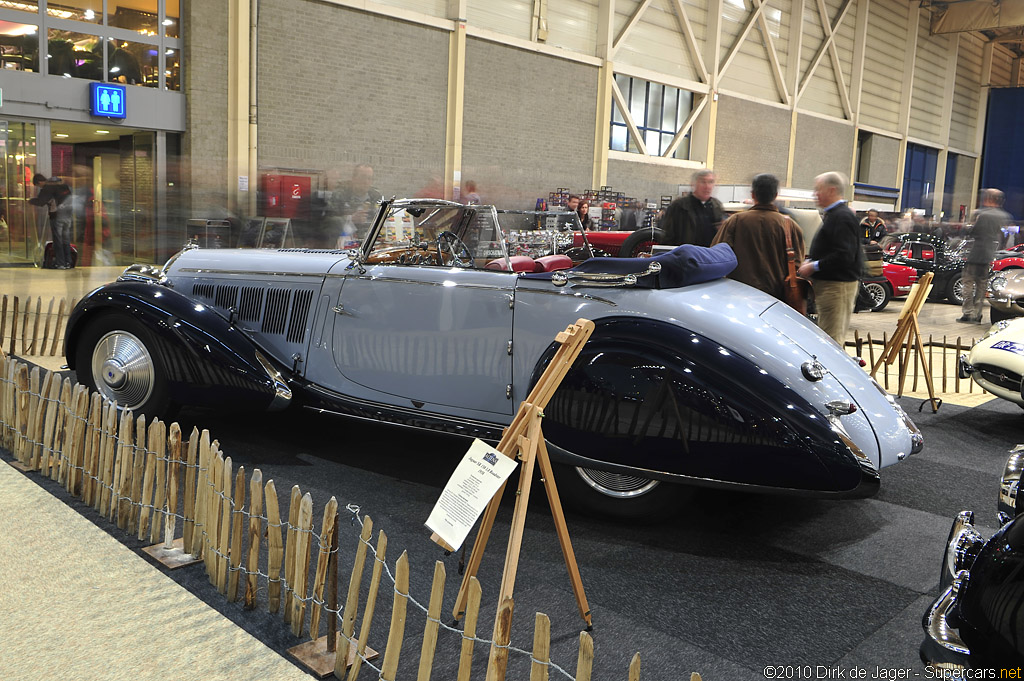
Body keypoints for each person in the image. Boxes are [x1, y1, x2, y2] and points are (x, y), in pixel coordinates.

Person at [711, 173, 804, 301]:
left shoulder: (735, 221)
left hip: (739, 295)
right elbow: (798, 264)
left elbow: (716, 256)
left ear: (753, 194)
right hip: (776, 299)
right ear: (776, 195)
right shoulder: (790, 226)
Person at [798, 172, 863, 344]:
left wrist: (814, 266)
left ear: (831, 190)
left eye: (818, 190)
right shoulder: (835, 215)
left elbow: (845, 255)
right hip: (832, 287)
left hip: (837, 288)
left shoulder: (842, 217)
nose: (815, 194)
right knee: (829, 336)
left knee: (832, 340)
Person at [959, 188, 1011, 323]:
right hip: (988, 255)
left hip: (976, 254)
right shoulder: (1004, 216)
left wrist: (967, 226)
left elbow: (973, 232)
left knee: (968, 284)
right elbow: (1003, 235)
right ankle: (977, 313)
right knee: (982, 285)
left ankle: (968, 313)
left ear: (989, 198)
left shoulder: (981, 214)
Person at [658, 169, 724, 247]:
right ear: (693, 184)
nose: (707, 186)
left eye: (710, 182)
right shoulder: (679, 207)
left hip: (710, 256)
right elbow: (667, 237)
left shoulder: (717, 206)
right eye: (703, 182)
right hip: (686, 256)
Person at [327, 164, 382, 248]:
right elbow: (327, 221)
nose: (366, 181)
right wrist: (350, 219)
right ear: (354, 178)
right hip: (345, 244)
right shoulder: (340, 195)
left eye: (369, 178)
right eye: (363, 177)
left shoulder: (376, 197)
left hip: (371, 245)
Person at [28, 173, 73, 269]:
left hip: (57, 216)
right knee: (66, 239)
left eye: (38, 185)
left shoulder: (47, 188)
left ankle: (60, 263)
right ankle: (68, 262)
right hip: (68, 215)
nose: (39, 187)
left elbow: (41, 202)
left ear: (39, 182)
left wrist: (30, 201)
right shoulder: (62, 185)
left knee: (58, 240)